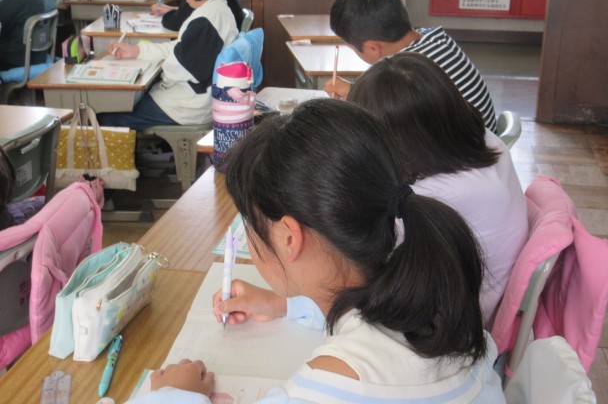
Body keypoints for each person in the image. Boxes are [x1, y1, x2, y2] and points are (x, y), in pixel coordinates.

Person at [127, 99, 505, 403]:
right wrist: (284, 304)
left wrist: (175, 395)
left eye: (250, 226)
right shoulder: (434, 295)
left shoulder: (322, 389)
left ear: (289, 238)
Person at [348, 52, 528, 327]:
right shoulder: (484, 142)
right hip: (461, 301)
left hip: (446, 329)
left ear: (398, 141)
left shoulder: (433, 199)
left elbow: (365, 266)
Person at [325, 0, 497, 132]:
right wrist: (354, 92)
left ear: (373, 48)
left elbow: (387, 127)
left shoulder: (409, 71)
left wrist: (355, 95)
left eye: (354, 49)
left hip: (461, 152)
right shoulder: (433, 39)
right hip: (476, 142)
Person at [99, 0, 238, 130]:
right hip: (191, 99)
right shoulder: (215, 10)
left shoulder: (207, 20)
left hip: (185, 105)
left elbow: (178, 68)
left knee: (106, 116)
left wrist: (156, 65)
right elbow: (180, 49)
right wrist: (137, 51)